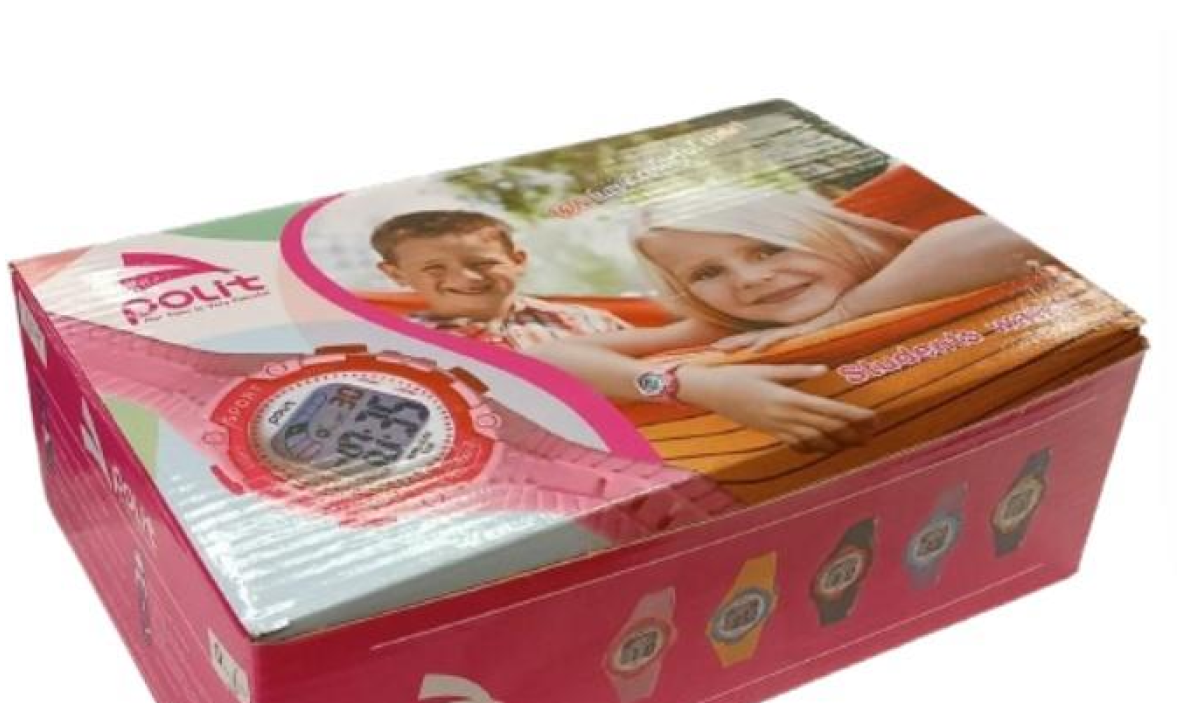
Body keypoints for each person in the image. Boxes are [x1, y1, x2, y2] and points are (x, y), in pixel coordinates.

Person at [532, 188, 1047, 450]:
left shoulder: (901, 262)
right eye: (708, 273)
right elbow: (547, 360)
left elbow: (1005, 236)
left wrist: (847, 313)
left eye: (768, 249)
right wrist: (687, 385)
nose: (749, 280)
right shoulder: (734, 324)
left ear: (828, 232)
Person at [370, 209, 630, 351]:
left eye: (483, 263)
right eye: (434, 268)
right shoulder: (398, 344)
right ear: (396, 275)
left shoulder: (588, 321)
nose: (467, 278)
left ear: (518, 261)